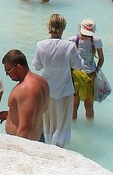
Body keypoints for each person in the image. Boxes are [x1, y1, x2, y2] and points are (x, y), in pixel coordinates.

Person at [32, 14, 84, 146]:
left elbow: (36, 66)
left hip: (47, 91)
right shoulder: (70, 46)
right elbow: (79, 65)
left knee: (48, 123)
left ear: (49, 27)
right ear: (63, 28)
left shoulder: (41, 45)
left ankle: (48, 147)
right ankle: (59, 149)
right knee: (62, 125)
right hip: (64, 91)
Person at [0, 50, 49, 141]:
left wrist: (16, 151)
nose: (7, 75)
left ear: (18, 67)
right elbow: (38, 111)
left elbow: (25, 129)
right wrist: (10, 115)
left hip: (26, 142)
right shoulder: (42, 81)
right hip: (38, 136)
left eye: (8, 71)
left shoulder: (26, 89)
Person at [70, 18, 104, 120]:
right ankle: (73, 127)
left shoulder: (96, 40)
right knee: (74, 106)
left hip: (90, 76)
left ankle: (89, 127)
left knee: (89, 106)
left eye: (88, 35)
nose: (86, 36)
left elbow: (101, 58)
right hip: (76, 75)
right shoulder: (73, 40)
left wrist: (96, 72)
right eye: (84, 34)